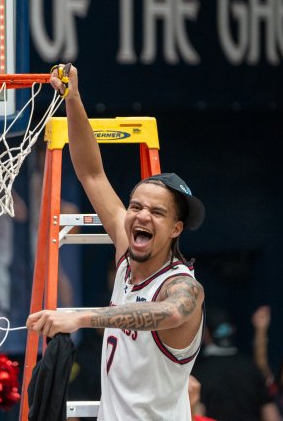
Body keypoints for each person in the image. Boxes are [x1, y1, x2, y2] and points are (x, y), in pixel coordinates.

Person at [26, 64, 206, 420]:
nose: (141, 215)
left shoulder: (184, 287)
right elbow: (91, 173)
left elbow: (168, 313)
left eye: (157, 212)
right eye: (136, 206)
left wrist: (79, 317)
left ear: (176, 229)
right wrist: (73, 98)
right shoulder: (127, 252)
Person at [192, 307, 277, 420]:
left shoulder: (198, 372)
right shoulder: (251, 368)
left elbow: (197, 413)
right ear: (234, 330)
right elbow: (270, 414)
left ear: (205, 333)